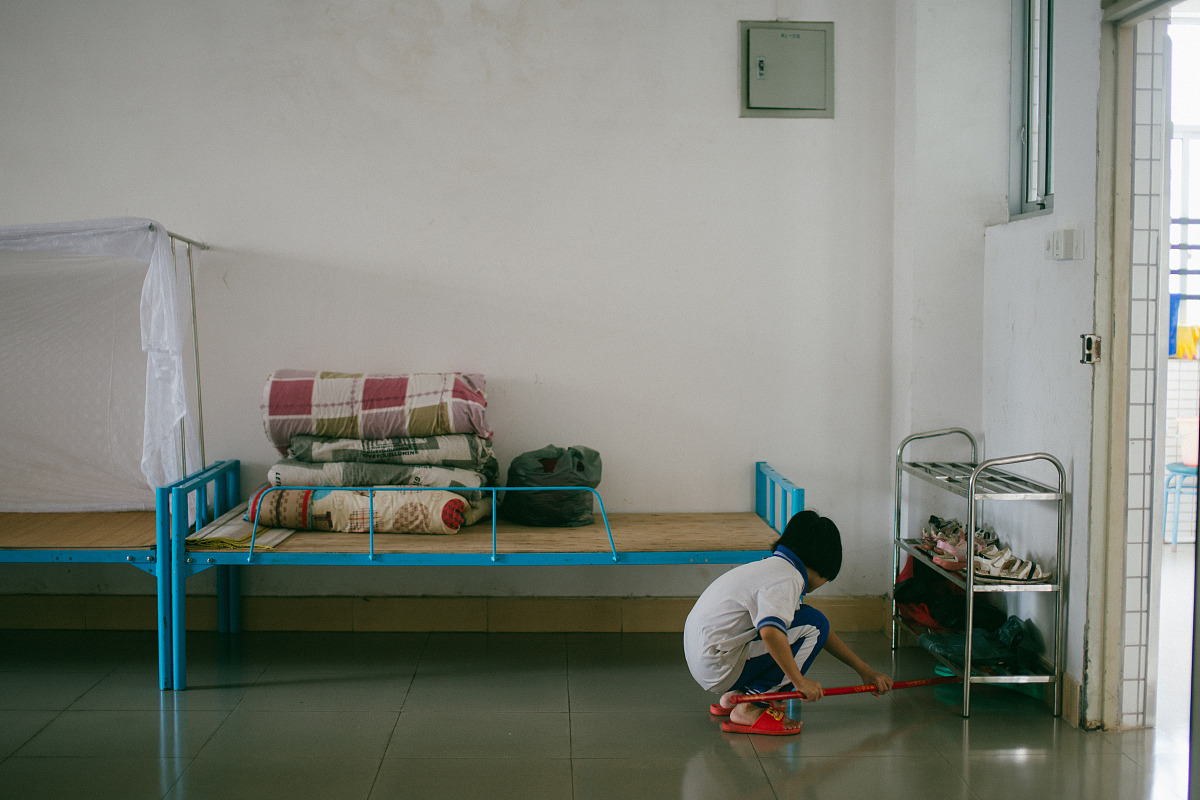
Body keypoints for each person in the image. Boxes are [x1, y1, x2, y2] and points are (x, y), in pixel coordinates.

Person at [683, 509, 893, 735]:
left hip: (706, 659)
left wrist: (865, 671)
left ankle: (738, 696)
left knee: (810, 620)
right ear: (823, 566)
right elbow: (772, 632)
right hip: (718, 664)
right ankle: (752, 706)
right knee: (814, 623)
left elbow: (821, 633)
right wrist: (799, 681)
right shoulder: (787, 580)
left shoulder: (771, 568)